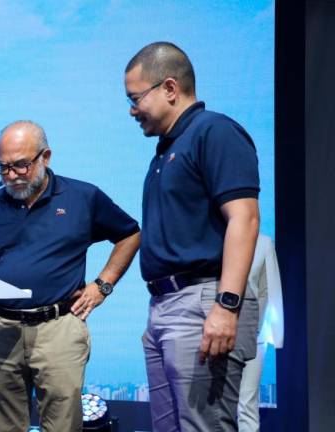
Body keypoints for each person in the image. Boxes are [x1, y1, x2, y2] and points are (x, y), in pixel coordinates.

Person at [0, 120, 141, 432]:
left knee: (62, 426)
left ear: (46, 157)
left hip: (59, 328)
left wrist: (102, 285)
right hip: (1, 329)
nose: (12, 175)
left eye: (21, 165)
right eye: (3, 167)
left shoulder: (82, 197)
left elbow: (130, 234)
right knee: (4, 424)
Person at [124, 41, 261, 431]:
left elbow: (245, 218)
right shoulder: (167, 148)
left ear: (169, 88)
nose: (132, 110)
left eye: (136, 99)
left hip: (204, 303)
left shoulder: (215, 132)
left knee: (204, 426)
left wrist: (226, 306)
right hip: (167, 307)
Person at [237, 233, 284, 432]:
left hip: (254, 336)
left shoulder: (263, 243)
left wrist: (273, 333)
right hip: (213, 334)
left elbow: (270, 290)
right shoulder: (209, 237)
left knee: (247, 404)